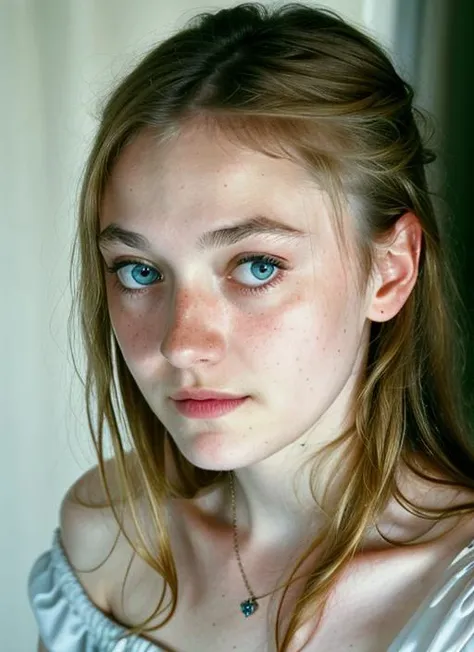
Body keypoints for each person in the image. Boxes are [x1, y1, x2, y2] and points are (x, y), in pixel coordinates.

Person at [28, 2, 474, 651]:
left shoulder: (457, 606)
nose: (182, 343)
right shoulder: (107, 546)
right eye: (139, 271)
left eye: (257, 265)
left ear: (390, 271)